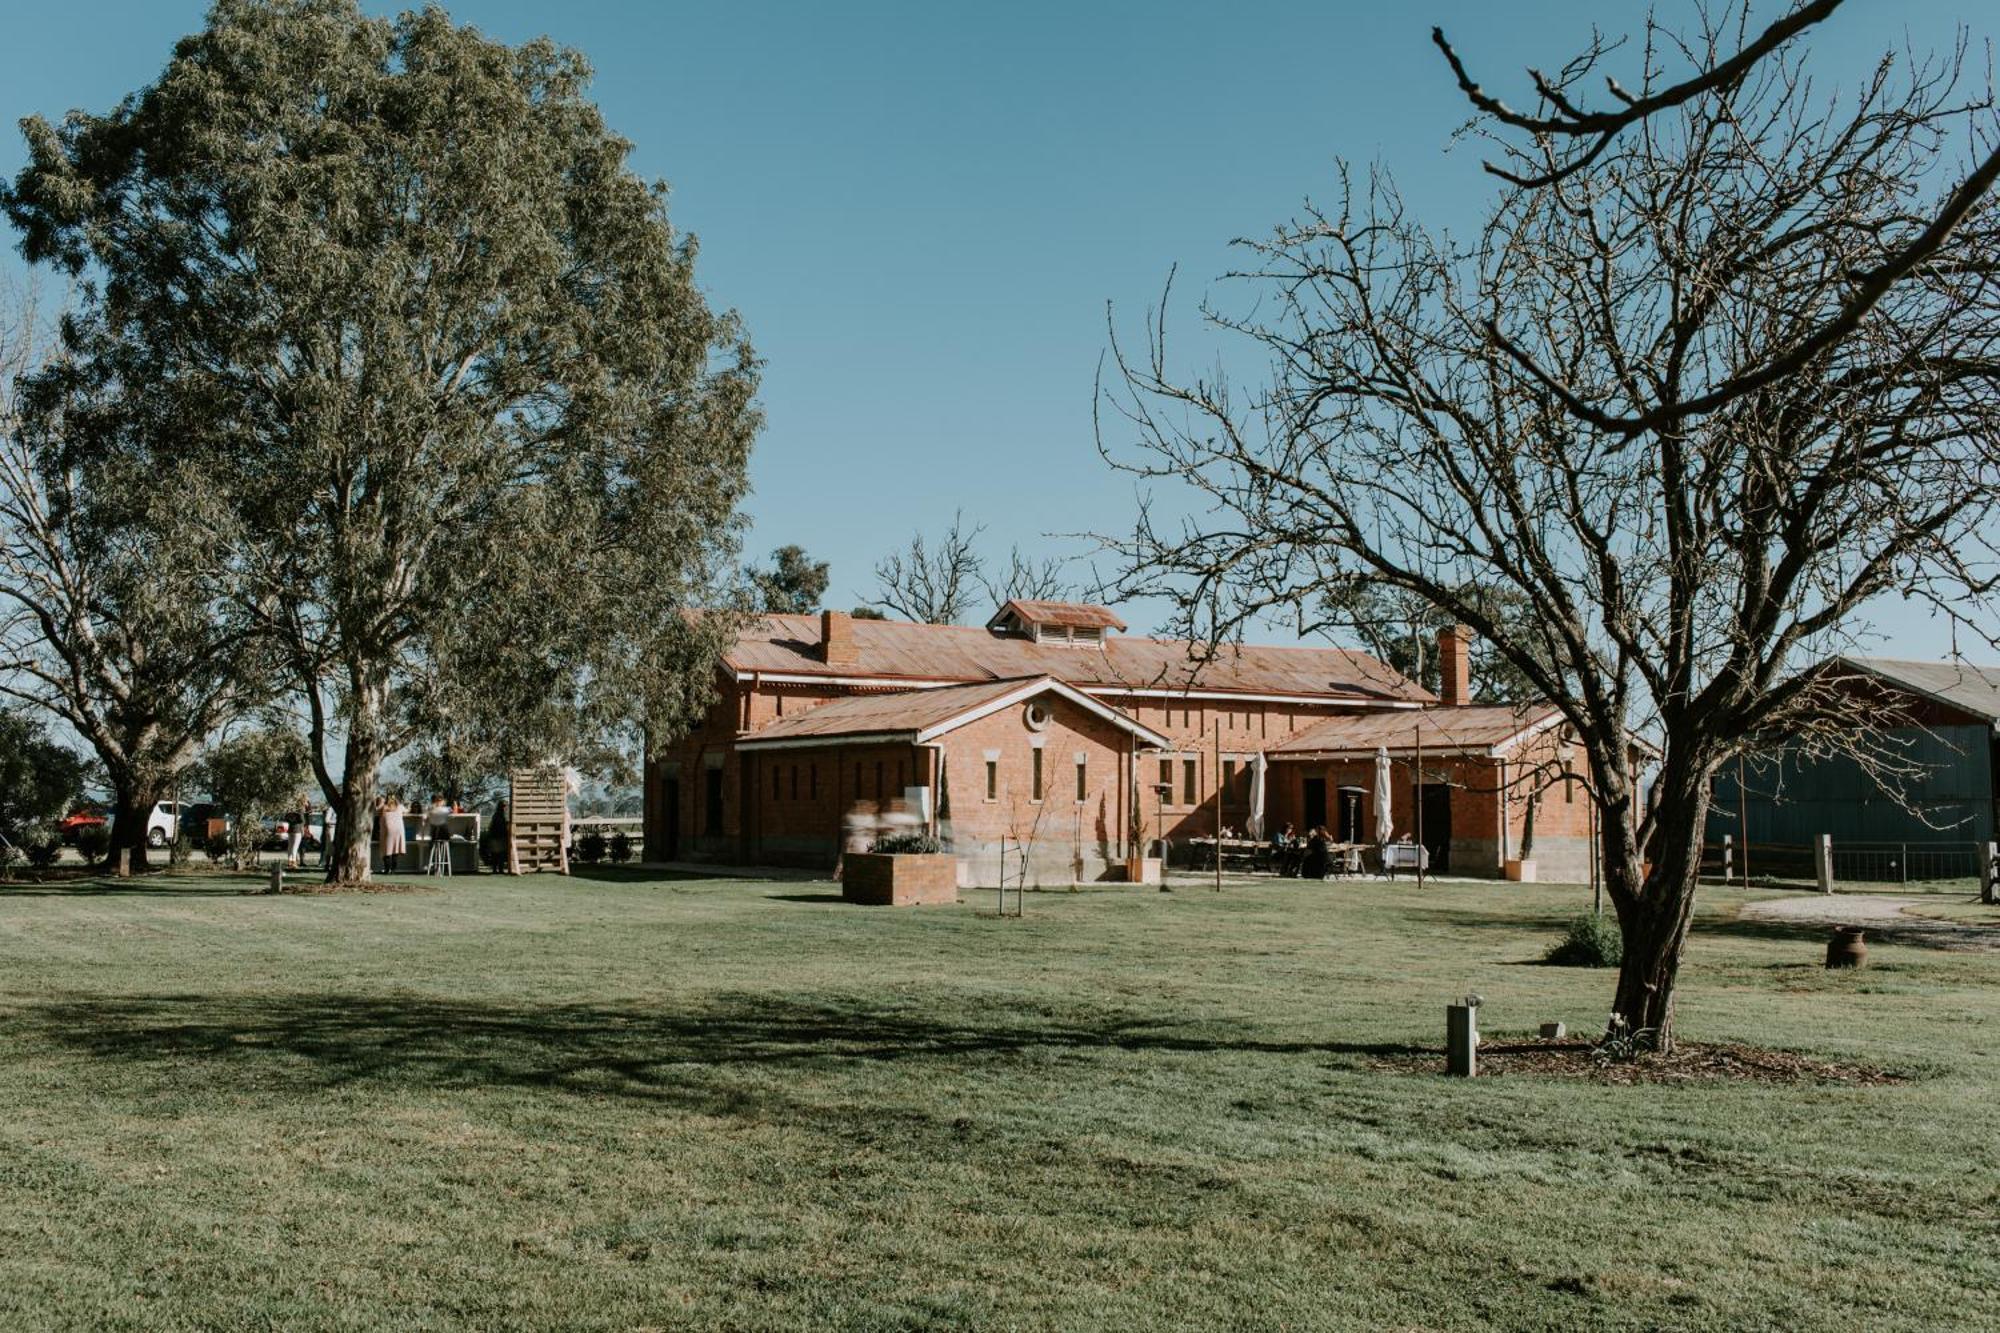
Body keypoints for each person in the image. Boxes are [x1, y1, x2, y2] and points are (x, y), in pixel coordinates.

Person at [380, 792, 407, 871]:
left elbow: (377, 810)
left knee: (386, 849)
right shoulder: (400, 807)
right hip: (399, 830)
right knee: (395, 849)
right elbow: (408, 810)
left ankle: (387, 869)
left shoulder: (384, 807)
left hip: (388, 829)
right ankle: (393, 869)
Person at [286, 793, 309, 868]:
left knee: (290, 846)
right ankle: (293, 862)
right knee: (295, 847)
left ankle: (289, 861)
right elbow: (302, 820)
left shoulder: (291, 808)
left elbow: (286, 817)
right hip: (298, 829)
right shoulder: (301, 809)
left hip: (290, 829)